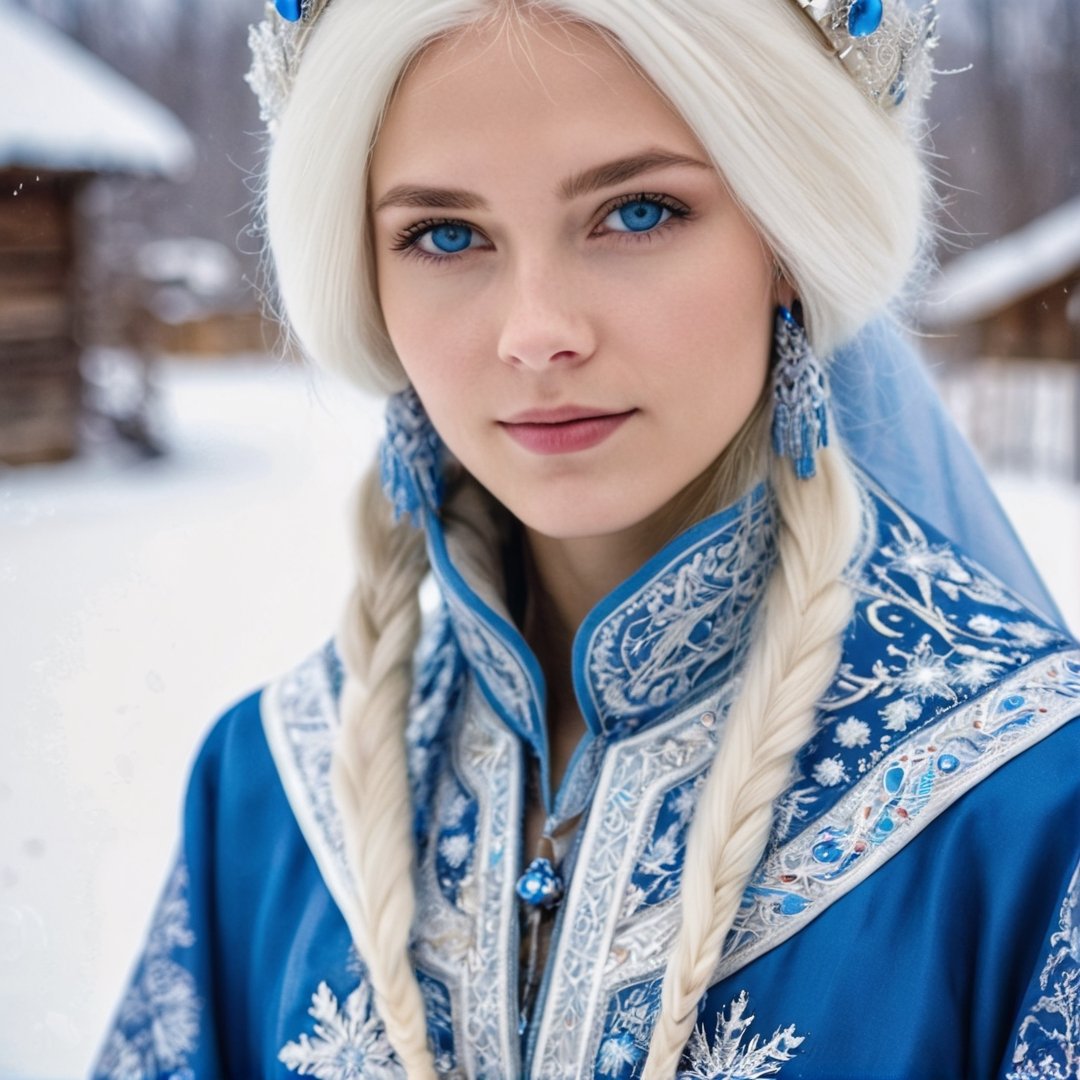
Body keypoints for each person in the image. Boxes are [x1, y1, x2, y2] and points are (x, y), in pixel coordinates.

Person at [93, 1, 1080, 1077]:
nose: (536, 332)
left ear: (790, 235)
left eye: (639, 212)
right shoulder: (266, 790)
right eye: (445, 234)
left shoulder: (1030, 806)